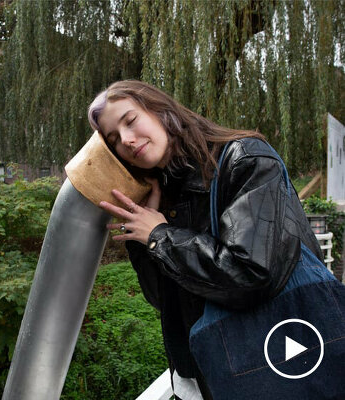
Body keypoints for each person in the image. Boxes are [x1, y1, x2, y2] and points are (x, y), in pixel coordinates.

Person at [88, 80, 323, 400]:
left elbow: (252, 274)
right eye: (114, 139)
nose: (127, 140)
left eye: (130, 121)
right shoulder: (163, 195)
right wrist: (142, 240)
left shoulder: (246, 159)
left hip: (277, 362)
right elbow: (164, 300)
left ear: (161, 110)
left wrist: (160, 237)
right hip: (204, 373)